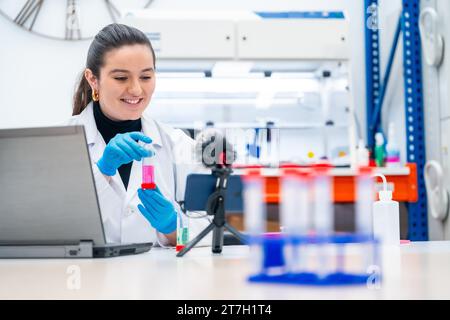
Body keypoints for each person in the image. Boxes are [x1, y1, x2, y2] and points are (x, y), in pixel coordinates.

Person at [66, 23, 208, 246]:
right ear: (93, 79)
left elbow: (212, 230)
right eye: (121, 78)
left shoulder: (178, 144)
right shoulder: (62, 142)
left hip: (155, 280)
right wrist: (101, 171)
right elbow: (51, 225)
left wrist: (173, 227)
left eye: (145, 77)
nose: (136, 90)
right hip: (86, 278)